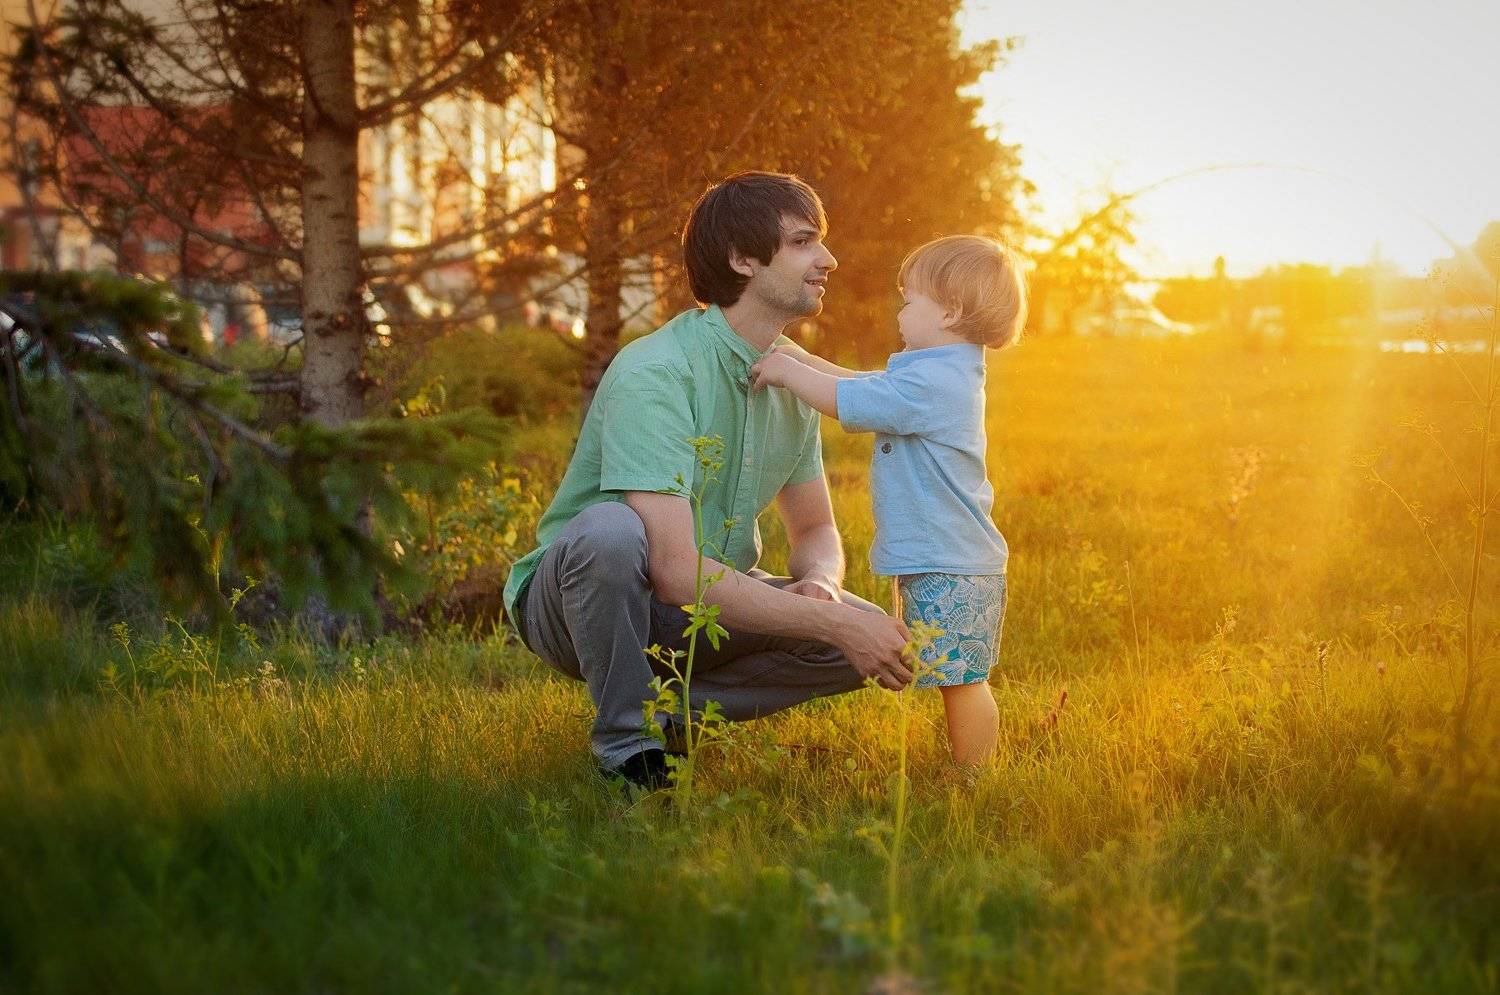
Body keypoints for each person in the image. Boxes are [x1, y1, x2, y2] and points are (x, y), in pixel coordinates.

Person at [504, 171, 913, 790]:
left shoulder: (791, 376)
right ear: (742, 258)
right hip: (588, 602)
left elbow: (815, 526)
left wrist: (821, 588)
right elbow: (670, 568)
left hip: (701, 607)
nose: (827, 260)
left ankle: (670, 715)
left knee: (873, 637)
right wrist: (833, 622)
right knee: (611, 533)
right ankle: (626, 748)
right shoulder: (658, 371)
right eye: (804, 242)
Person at [749, 234, 1026, 765]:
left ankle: (973, 781)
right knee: (954, 675)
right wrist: (804, 359)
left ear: (950, 312)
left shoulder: (938, 382)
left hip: (953, 563)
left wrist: (788, 371)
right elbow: (868, 387)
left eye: (909, 299)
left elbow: (851, 400)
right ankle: (969, 770)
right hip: (944, 557)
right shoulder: (937, 372)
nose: (899, 310)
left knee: (962, 681)